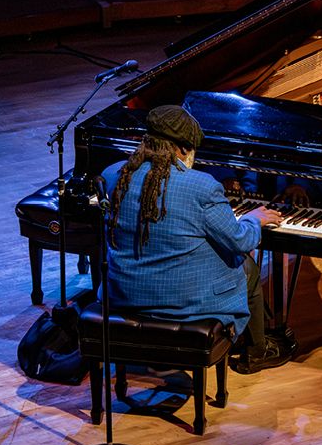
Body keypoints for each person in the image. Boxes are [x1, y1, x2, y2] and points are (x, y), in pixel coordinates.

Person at [102, 104, 293, 374]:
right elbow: (240, 241)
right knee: (246, 266)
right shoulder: (202, 186)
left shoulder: (115, 174)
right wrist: (254, 219)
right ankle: (257, 351)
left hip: (124, 294)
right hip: (183, 304)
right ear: (183, 148)